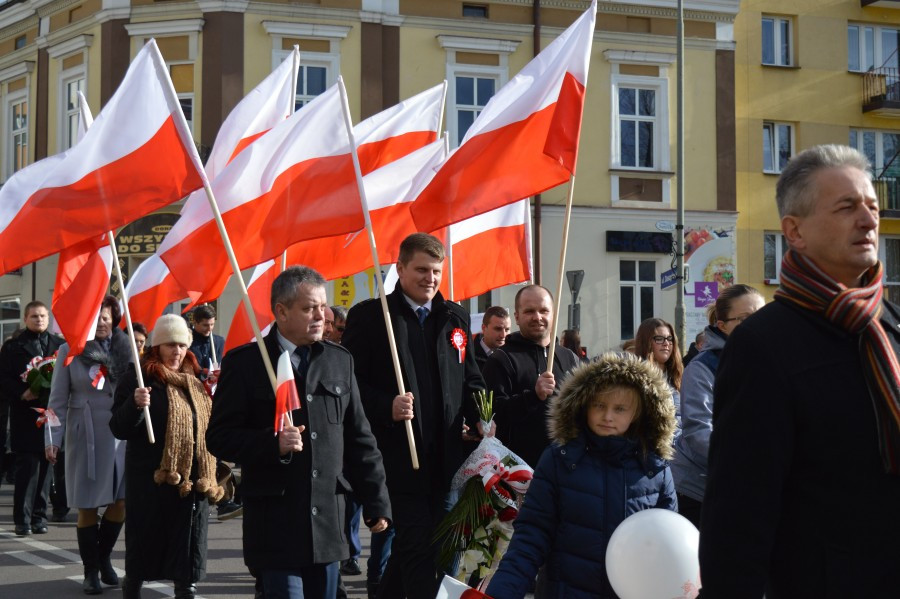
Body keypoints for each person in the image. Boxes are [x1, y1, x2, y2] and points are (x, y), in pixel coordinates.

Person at [698, 145, 900, 598]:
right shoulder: (763, 344)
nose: (868, 221)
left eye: (872, 207)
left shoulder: (891, 325)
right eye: (847, 207)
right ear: (795, 231)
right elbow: (738, 513)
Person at [206, 266, 390, 599]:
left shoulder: (339, 360)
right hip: (275, 524)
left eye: (323, 307)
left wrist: (377, 501)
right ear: (281, 311)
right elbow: (219, 436)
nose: (321, 316)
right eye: (309, 308)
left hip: (328, 524)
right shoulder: (246, 363)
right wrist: (271, 443)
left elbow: (360, 439)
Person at [343, 233, 483, 599]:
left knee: (434, 548)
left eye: (436, 271)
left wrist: (483, 416)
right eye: (421, 270)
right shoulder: (372, 317)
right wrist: (385, 405)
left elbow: (471, 379)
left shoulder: (454, 317)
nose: (430, 278)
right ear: (401, 268)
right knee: (418, 547)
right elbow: (350, 383)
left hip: (446, 461)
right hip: (398, 459)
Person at [485, 352, 678, 598]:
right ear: (584, 405)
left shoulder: (654, 469)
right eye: (599, 405)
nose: (608, 416)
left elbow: (668, 546)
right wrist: (500, 593)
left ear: (638, 413)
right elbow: (531, 536)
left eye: (620, 409)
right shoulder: (559, 460)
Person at [110, 314, 225, 599]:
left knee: (188, 541)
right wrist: (135, 405)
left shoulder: (195, 380)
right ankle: (133, 584)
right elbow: (118, 428)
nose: (177, 351)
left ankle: (185, 588)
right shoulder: (139, 377)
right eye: (170, 344)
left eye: (182, 345)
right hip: (152, 478)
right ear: (157, 346)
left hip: (191, 480)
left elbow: (208, 425)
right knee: (146, 540)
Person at [46, 295, 131, 594]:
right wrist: (52, 439)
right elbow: (57, 400)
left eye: (106, 318)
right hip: (86, 436)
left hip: (120, 435)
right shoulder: (69, 350)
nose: (102, 324)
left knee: (120, 502)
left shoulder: (127, 349)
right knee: (88, 504)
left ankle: (103, 557)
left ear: (114, 319)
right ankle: (90, 570)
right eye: (96, 319)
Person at [669, 285, 764, 528]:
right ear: (722, 326)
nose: (757, 324)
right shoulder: (703, 366)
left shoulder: (770, 360)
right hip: (700, 489)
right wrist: (750, 460)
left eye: (761, 315)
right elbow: (699, 431)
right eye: (745, 319)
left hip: (750, 488)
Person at [482, 285, 579, 470]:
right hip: (519, 472)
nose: (537, 317)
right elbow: (492, 417)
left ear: (553, 314)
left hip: (566, 468)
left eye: (543, 310)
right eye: (529, 311)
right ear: (517, 317)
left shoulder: (570, 358)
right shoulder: (501, 359)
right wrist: (533, 396)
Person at [0, 301, 64, 536]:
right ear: (25, 319)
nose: (39, 320)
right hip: (25, 415)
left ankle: (39, 517)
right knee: (28, 468)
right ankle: (22, 520)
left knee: (47, 468)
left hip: (51, 415)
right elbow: (3, 378)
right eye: (35, 316)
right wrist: (22, 392)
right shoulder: (13, 347)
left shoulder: (60, 345)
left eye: (43, 316)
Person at [634, 318, 682, 432]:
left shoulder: (676, 375)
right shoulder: (637, 378)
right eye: (659, 339)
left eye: (669, 338)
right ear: (646, 342)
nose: (666, 343)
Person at [473, 306, 511, 372]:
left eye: (507, 330)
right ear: (484, 328)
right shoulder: (469, 357)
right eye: (498, 329)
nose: (503, 335)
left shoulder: (513, 356)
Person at [188, 304, 224, 375]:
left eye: (212, 324)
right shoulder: (186, 342)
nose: (209, 328)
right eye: (205, 325)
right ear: (195, 322)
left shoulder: (220, 342)